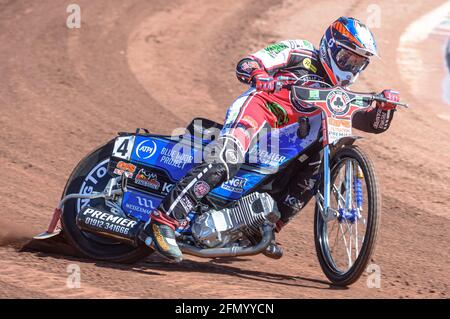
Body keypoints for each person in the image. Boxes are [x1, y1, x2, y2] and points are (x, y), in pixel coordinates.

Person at [139, 16, 401, 262]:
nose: (351, 67)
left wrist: (384, 108)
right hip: (258, 110)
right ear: (330, 47)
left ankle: (264, 226)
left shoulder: (338, 93)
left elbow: (369, 124)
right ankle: (164, 221)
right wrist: (259, 75)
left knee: (320, 160)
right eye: (347, 58)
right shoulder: (300, 51)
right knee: (226, 160)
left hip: (285, 135)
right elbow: (248, 63)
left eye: (358, 63)